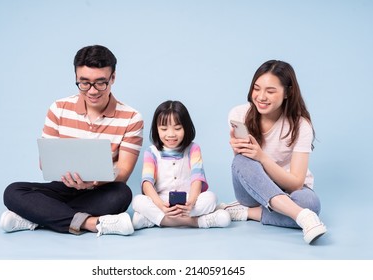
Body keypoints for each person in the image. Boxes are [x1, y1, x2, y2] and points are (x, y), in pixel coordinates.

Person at [0, 45, 144, 236]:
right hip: (63, 186)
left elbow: (124, 172)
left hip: (101, 190)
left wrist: (95, 181)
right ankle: (92, 223)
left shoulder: (132, 117)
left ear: (113, 78)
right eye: (84, 83)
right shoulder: (58, 108)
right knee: (13, 191)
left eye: (101, 83)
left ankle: (34, 218)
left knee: (122, 195)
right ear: (76, 78)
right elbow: (45, 163)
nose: (92, 91)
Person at [218, 60, 327, 244]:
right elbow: (243, 166)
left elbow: (295, 184)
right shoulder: (239, 115)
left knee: (310, 204)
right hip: (252, 191)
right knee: (242, 160)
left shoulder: (301, 126)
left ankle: (248, 213)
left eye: (270, 91)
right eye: (257, 88)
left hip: (289, 189)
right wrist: (241, 151)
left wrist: (261, 156)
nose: (261, 96)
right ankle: (301, 217)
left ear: (288, 93)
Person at [131, 100, 231, 230]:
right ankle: (197, 222)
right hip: (162, 201)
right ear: (156, 129)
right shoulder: (151, 152)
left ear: (186, 127)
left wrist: (191, 203)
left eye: (177, 128)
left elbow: (197, 179)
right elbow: (147, 183)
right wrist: (162, 206)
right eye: (164, 129)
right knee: (138, 200)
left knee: (211, 198)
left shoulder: (193, 149)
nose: (171, 134)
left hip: (189, 201)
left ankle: (154, 220)